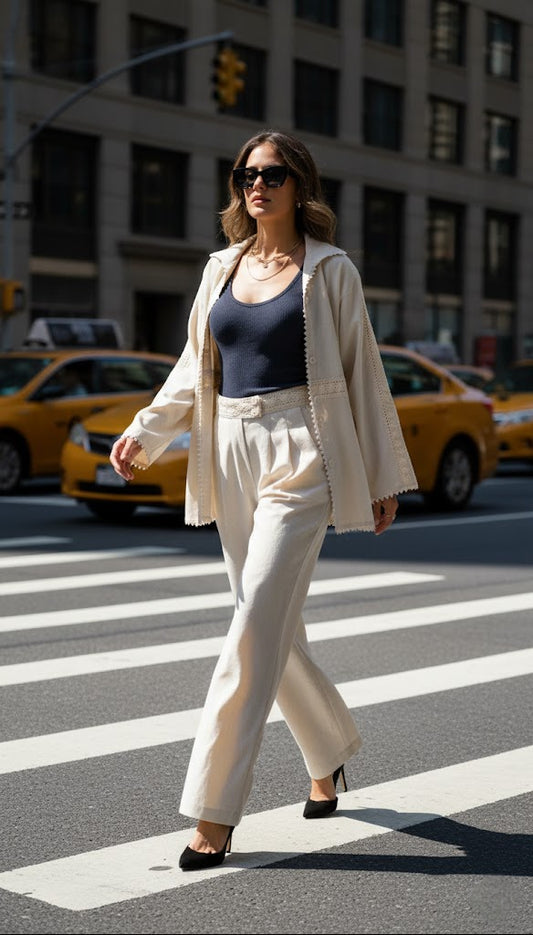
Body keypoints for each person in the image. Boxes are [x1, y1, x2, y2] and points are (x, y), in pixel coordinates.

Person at [110, 130, 417, 871]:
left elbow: (362, 370)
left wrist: (381, 474)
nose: (258, 184)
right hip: (231, 450)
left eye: (273, 173)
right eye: (247, 173)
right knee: (269, 626)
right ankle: (329, 751)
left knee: (251, 626)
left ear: (299, 185)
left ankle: (212, 811)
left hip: (303, 449)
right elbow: (194, 366)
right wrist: (145, 431)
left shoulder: (329, 269)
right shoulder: (222, 267)